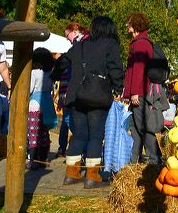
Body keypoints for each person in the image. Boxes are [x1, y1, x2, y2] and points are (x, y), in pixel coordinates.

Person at [54, 16, 124, 188]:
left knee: (78, 135)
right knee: (95, 136)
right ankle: (92, 177)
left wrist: (53, 76)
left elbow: (63, 61)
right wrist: (119, 87)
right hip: (97, 96)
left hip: (76, 96)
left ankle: (71, 174)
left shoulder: (80, 45)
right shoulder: (110, 45)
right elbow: (115, 68)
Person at [123, 12, 168, 166]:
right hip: (138, 92)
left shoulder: (141, 43)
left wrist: (135, 92)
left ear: (135, 24)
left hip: (140, 93)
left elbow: (139, 70)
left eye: (129, 22)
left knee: (143, 127)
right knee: (135, 129)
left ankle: (155, 160)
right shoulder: (139, 42)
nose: (127, 25)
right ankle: (133, 162)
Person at [55, 22, 87, 158]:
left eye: (67, 35)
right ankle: (81, 147)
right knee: (69, 121)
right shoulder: (75, 48)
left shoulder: (79, 47)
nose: (67, 38)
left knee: (70, 120)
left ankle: (83, 146)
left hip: (75, 91)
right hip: (70, 91)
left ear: (74, 32)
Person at [27, 48, 57, 170]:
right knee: (44, 134)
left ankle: (31, 159)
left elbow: (29, 90)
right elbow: (50, 89)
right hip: (47, 104)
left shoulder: (34, 73)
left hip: (35, 104)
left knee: (33, 133)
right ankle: (43, 159)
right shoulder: (50, 74)